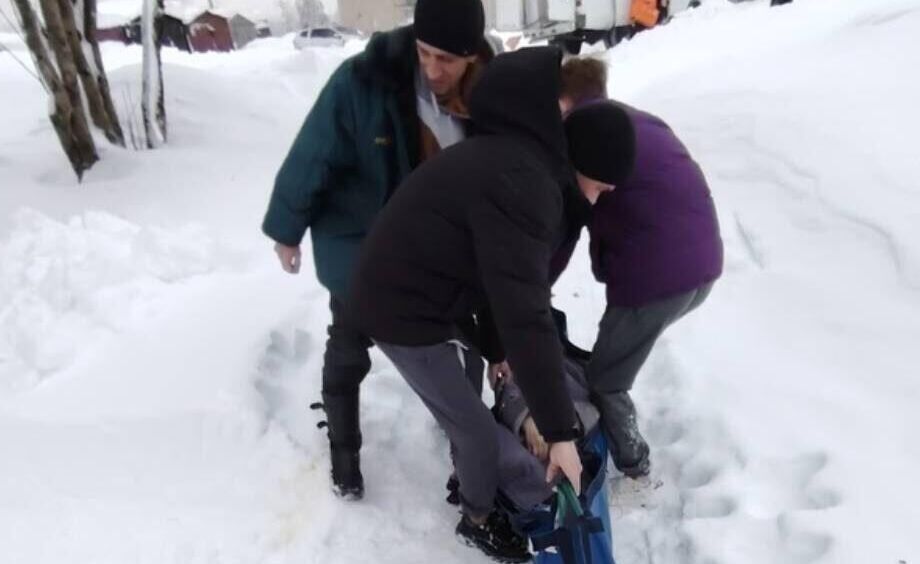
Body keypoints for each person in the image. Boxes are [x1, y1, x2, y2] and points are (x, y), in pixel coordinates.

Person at [346, 48, 636, 562]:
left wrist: (497, 346)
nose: (601, 197)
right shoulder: (525, 185)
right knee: (476, 432)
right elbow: (525, 312)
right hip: (398, 309)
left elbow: (497, 280)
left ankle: (474, 458)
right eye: (602, 186)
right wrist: (559, 432)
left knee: (476, 386)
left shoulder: (518, 163)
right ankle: (477, 517)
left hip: (431, 288)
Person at [261, 0, 493, 500]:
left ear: (471, 55)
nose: (433, 69)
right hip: (360, 241)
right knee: (348, 348)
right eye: (425, 54)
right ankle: (344, 457)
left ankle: (465, 448)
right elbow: (314, 153)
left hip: (435, 252)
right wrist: (287, 228)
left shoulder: (488, 92)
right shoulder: (364, 81)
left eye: (447, 60)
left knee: (461, 347)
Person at [554, 57, 724, 479]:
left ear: (563, 101)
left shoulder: (584, 144)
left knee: (607, 379)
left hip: (659, 278)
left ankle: (636, 470)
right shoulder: (635, 122)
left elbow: (571, 223)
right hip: (702, 264)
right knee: (611, 360)